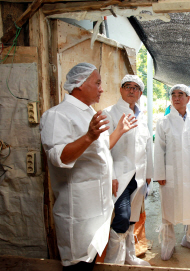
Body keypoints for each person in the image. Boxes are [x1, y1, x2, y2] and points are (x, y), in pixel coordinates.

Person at [40, 63, 137, 270]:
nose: (102, 89)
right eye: (98, 83)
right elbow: (59, 157)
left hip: (97, 207)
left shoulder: (90, 113)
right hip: (78, 210)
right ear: (79, 84)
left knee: (90, 260)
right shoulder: (58, 115)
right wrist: (88, 136)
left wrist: (119, 131)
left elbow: (100, 149)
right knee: (78, 263)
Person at [154, 84, 190, 261]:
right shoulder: (163, 122)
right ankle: (168, 241)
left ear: (189, 98)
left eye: (181, 94)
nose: (177, 97)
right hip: (171, 174)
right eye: (174, 95)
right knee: (169, 207)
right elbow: (158, 149)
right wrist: (160, 174)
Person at [102, 75, 152, 266]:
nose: (131, 90)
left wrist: (149, 176)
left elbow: (148, 149)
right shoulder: (109, 114)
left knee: (132, 219)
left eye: (136, 88)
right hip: (119, 177)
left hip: (138, 177)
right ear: (121, 90)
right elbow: (103, 148)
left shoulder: (142, 117)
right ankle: (113, 263)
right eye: (127, 87)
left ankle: (130, 257)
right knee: (121, 218)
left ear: (140, 93)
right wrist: (112, 175)